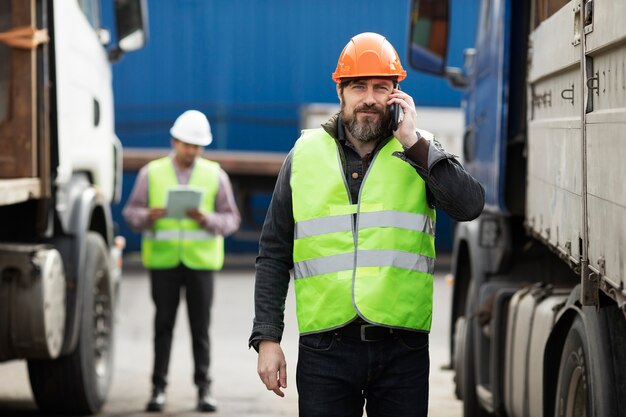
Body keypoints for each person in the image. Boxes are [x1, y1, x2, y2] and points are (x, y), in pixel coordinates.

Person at [249, 32, 485, 417]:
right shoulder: (304, 155)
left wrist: (413, 143)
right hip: (325, 349)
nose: (370, 98)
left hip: (402, 351)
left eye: (381, 87)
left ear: (397, 94)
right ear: (340, 91)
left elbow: (470, 205)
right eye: (359, 86)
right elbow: (274, 253)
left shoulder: (420, 150)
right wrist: (267, 339)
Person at [123, 110, 240, 413]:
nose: (192, 150)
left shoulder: (215, 175)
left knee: (200, 328)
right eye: (187, 144)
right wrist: (147, 216)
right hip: (164, 262)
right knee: (163, 325)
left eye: (197, 146)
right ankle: (158, 389)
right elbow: (131, 213)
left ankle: (204, 390)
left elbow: (231, 219)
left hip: (200, 264)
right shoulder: (152, 173)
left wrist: (208, 219)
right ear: (174, 140)